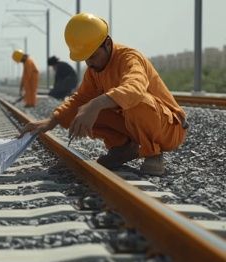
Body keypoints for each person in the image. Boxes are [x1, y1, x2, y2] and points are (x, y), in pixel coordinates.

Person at [20, 13, 188, 176]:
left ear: (107, 43)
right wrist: (53, 120)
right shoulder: (94, 70)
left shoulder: (129, 58)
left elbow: (135, 88)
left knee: (135, 100)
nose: (90, 63)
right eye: (86, 59)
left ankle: (153, 155)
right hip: (134, 125)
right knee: (80, 110)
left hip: (168, 129)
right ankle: (123, 147)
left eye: (93, 56)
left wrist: (96, 104)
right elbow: (79, 98)